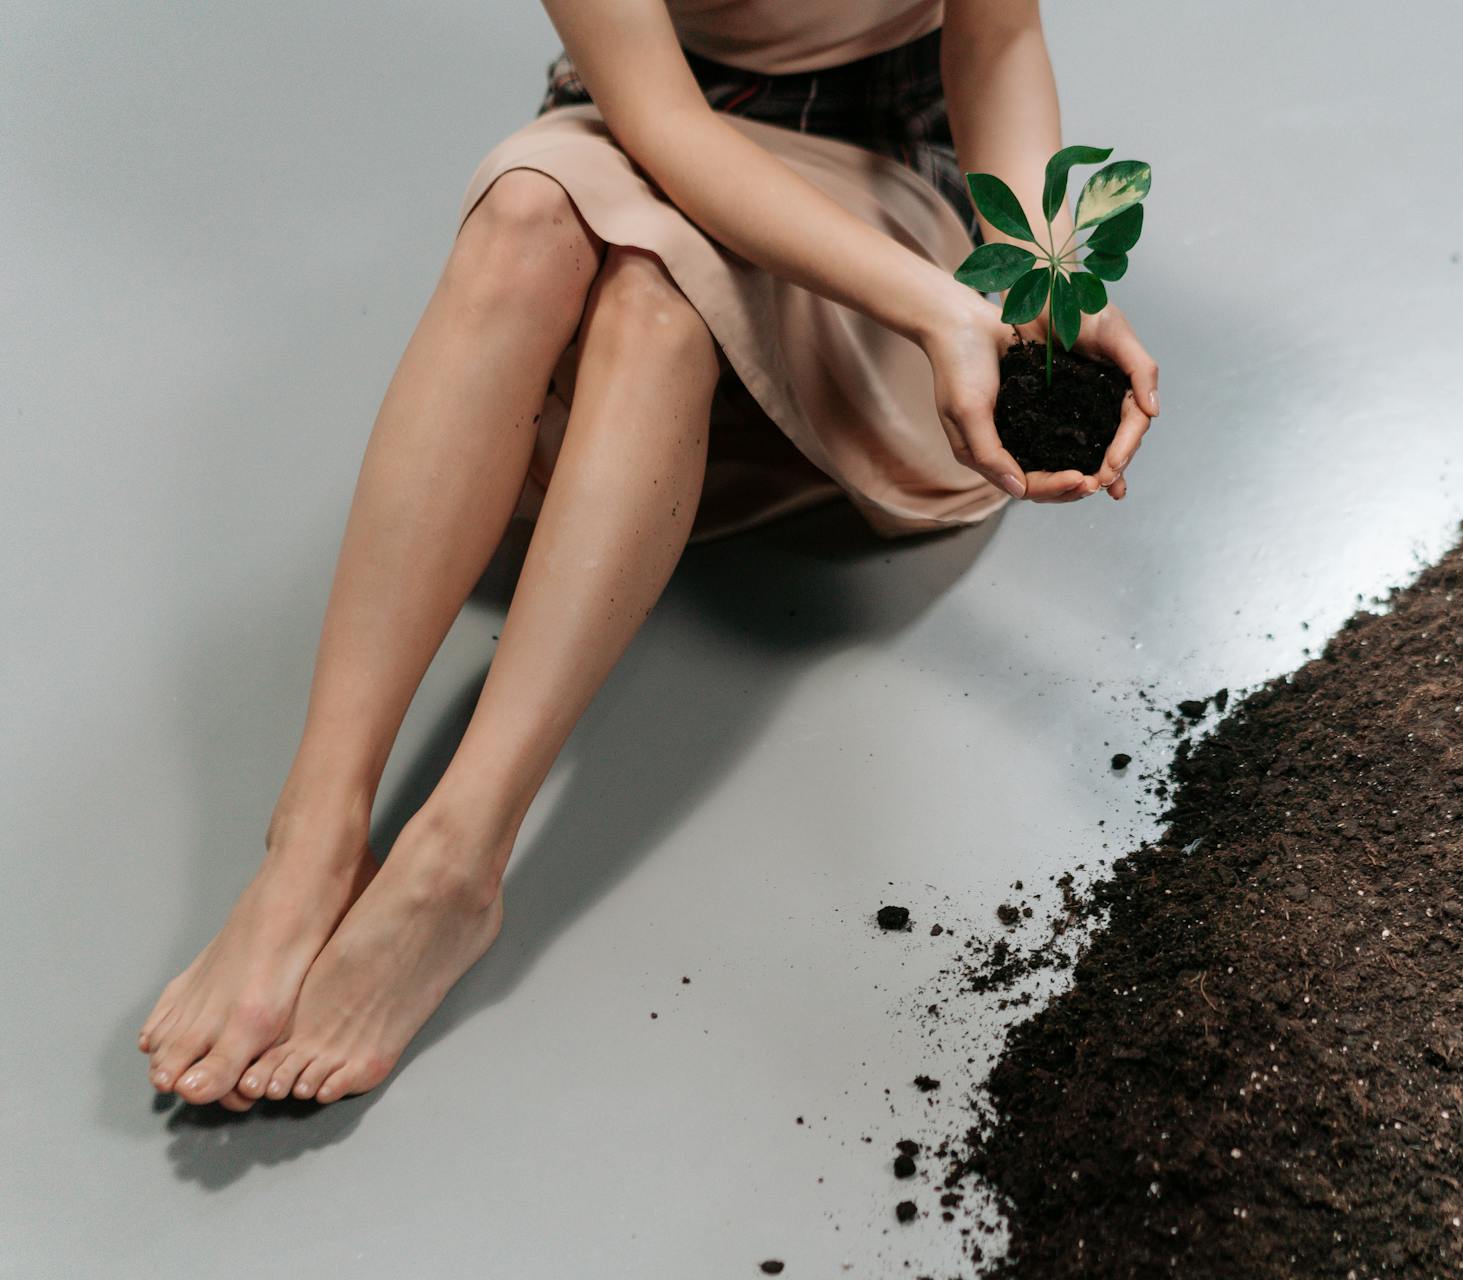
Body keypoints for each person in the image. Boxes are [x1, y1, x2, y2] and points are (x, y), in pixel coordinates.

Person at [137, 0, 1161, 1110]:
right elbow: (665, 124)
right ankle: (312, 837)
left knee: (656, 292)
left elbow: (998, 40)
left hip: (883, 174)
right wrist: (934, 313)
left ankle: (455, 856)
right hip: (648, 125)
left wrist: (1031, 280)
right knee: (525, 211)